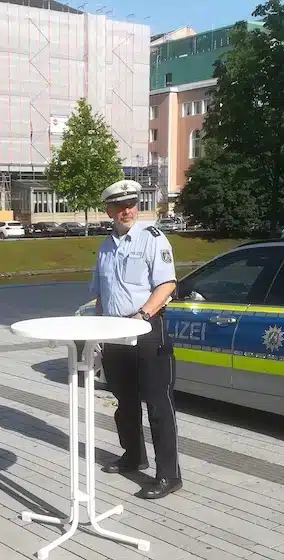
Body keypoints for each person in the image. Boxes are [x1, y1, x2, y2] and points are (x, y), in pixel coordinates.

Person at [90, 179, 182, 500]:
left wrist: (142, 315)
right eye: (119, 206)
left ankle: (168, 475)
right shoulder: (104, 248)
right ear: (109, 211)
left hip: (146, 332)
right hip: (115, 336)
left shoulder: (153, 239)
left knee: (158, 406)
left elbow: (167, 285)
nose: (126, 210)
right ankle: (133, 456)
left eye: (131, 204)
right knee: (124, 404)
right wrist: (99, 334)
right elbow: (101, 296)